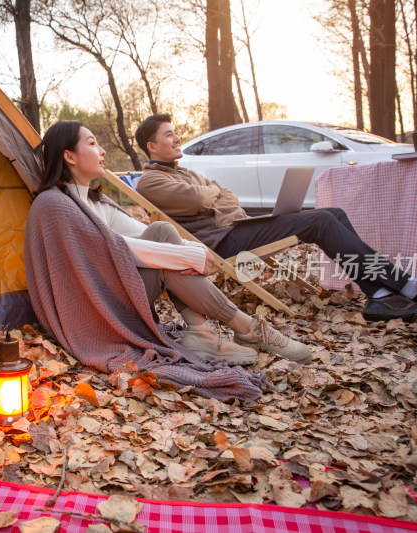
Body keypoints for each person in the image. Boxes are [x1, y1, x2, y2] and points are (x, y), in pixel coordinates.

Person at [24, 121, 311, 401]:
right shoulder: (54, 204)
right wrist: (187, 255)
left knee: (163, 231)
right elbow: (115, 248)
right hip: (94, 311)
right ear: (69, 156)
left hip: (117, 291)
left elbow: (142, 235)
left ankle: (203, 333)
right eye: (92, 143)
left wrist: (192, 249)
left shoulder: (95, 201)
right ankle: (246, 329)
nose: (102, 151)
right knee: (167, 251)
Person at [134, 114, 417, 322]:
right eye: (169, 135)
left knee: (333, 213)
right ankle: (409, 287)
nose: (177, 138)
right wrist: (211, 194)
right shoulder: (152, 181)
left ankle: (381, 295)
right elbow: (202, 197)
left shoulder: (186, 171)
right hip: (221, 241)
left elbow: (225, 193)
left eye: (176, 133)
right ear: (152, 145)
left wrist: (213, 194)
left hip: (237, 228)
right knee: (320, 222)